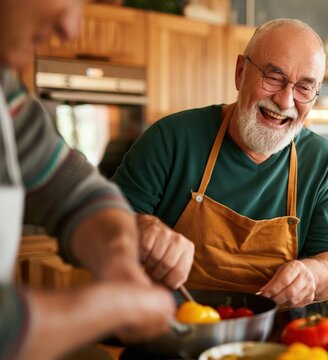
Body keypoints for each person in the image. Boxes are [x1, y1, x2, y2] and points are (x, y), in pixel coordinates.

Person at [0, 1, 198, 359]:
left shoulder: (6, 96)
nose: (71, 28)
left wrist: (119, 260)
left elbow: (77, 190)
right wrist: (105, 308)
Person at [112, 19, 328, 308]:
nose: (285, 101)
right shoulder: (171, 138)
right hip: (171, 327)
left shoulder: (324, 161)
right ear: (240, 72)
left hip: (271, 336)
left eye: (304, 88)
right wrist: (143, 227)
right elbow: (107, 222)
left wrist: (313, 273)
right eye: (273, 77)